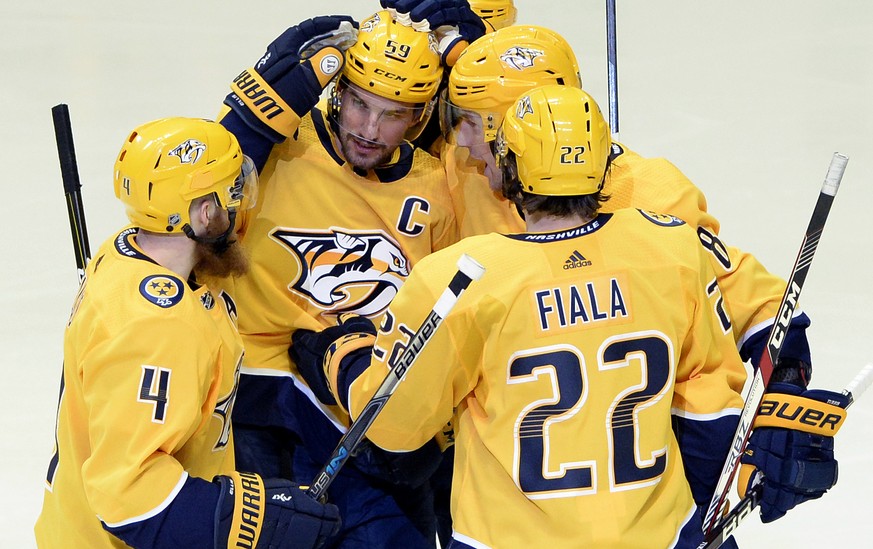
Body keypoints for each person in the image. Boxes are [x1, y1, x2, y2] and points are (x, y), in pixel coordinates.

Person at [295, 85, 850, 548]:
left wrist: (340, 356)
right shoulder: (673, 249)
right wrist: (761, 437)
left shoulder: (460, 277)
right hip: (658, 535)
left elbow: (393, 427)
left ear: (509, 169)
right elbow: (709, 395)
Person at [438, 24, 846, 535]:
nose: (460, 141)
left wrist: (786, 386)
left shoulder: (650, 198)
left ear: (513, 127)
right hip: (511, 480)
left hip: (635, 480)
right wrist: (451, 36)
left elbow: (739, 293)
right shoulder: (470, 175)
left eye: (473, 124)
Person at [217, 8, 485, 549]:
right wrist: (259, 105)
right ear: (337, 89)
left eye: (392, 114)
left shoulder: (439, 187)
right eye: (359, 103)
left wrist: (437, 430)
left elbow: (453, 319)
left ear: (420, 115)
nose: (368, 129)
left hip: (366, 408)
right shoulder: (282, 149)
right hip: (263, 398)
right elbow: (207, 185)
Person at [34, 117, 340, 548]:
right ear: (206, 212)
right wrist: (253, 520)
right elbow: (130, 497)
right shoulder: (158, 328)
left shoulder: (130, 249)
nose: (242, 205)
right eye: (233, 193)